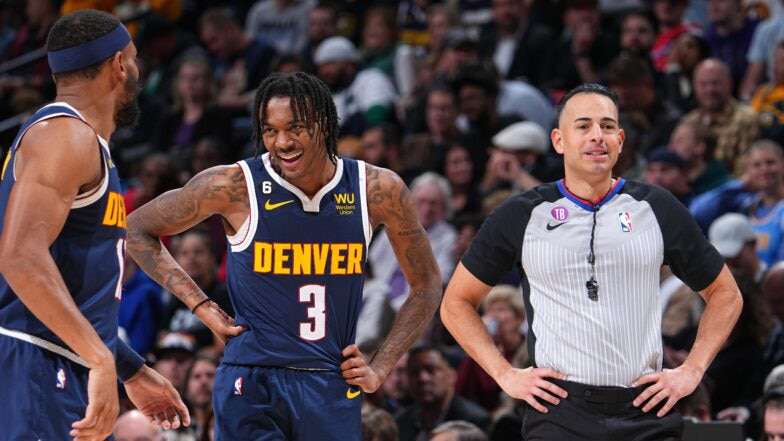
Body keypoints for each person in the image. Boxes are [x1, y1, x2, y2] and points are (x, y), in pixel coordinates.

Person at [126, 71, 442, 440]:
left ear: (325, 123)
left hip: (328, 380)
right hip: (252, 378)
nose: (282, 142)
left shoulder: (376, 189)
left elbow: (427, 284)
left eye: (295, 128)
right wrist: (202, 305)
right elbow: (136, 230)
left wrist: (381, 366)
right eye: (270, 130)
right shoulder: (233, 185)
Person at [440, 83, 744, 440]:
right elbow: (455, 303)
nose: (597, 135)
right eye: (583, 126)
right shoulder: (522, 214)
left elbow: (726, 294)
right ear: (559, 141)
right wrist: (505, 374)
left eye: (607, 126)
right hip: (559, 411)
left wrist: (692, 370)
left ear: (620, 140)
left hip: (645, 408)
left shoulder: (656, 208)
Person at [0, 9, 189, 441]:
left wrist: (128, 367)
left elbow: (68, 289)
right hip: (35, 363)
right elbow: (19, 257)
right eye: (134, 58)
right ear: (119, 64)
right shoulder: (65, 136)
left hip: (50, 361)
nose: (137, 68)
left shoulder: (73, 140)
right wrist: (99, 360)